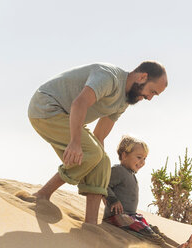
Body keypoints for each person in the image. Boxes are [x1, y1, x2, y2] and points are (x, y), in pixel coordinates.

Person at [28, 61, 168, 224]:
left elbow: (99, 136)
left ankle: (91, 225)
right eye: (152, 91)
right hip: (46, 107)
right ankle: (43, 194)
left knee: (102, 161)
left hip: (67, 117)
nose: (149, 98)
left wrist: (100, 178)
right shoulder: (109, 77)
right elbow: (79, 103)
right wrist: (75, 142)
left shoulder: (123, 102)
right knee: (93, 153)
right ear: (142, 77)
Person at [103, 135, 192, 248]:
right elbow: (105, 185)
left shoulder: (131, 174)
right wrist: (113, 199)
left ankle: (181, 247)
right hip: (116, 217)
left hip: (131, 216)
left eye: (144, 159)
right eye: (139, 157)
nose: (142, 162)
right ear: (124, 155)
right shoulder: (118, 170)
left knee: (153, 230)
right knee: (146, 231)